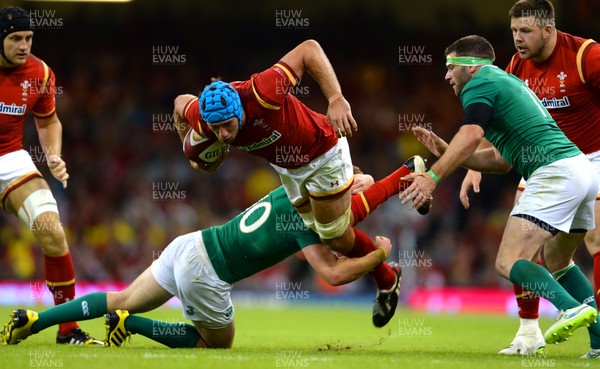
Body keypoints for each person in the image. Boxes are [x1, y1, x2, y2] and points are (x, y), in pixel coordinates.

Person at [1, 157, 425, 348]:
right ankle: (134, 325)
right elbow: (331, 275)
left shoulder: (291, 191)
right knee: (215, 344)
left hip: (191, 243)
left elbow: (341, 192)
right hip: (208, 271)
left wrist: (369, 179)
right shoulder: (308, 223)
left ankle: (36, 319)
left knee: (118, 296)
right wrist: (378, 257)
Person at [172, 39, 429, 326]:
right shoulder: (206, 118)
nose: (221, 134)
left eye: (227, 126)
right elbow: (180, 103)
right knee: (331, 233)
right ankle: (402, 179)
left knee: (333, 234)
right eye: (215, 128)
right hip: (289, 169)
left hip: (322, 153)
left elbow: (309, 49)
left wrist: (335, 99)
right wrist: (192, 149)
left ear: (239, 111)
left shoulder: (262, 91)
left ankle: (385, 269)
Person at [401, 34, 599, 358]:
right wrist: (447, 151)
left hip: (555, 174)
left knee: (508, 261)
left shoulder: (480, 83)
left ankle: (568, 308)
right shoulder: (505, 83)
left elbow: (472, 133)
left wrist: (434, 176)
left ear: (471, 66)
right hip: (581, 172)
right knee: (558, 259)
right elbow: (499, 159)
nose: (447, 75)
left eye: (451, 67)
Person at [457, 0, 600, 358]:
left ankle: (584, 321)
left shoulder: (587, 56)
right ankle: (528, 332)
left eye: (526, 31)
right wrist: (474, 163)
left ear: (549, 30)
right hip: (542, 162)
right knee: (540, 252)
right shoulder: (517, 65)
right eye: (514, 31)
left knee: (595, 240)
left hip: (593, 156)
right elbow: (502, 114)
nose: (518, 39)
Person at [0, 6, 101, 345]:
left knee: (53, 232)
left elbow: (47, 122)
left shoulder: (40, 73)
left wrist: (53, 156)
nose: (24, 45)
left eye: (28, 38)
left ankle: (68, 328)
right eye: (15, 38)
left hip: (10, 158)